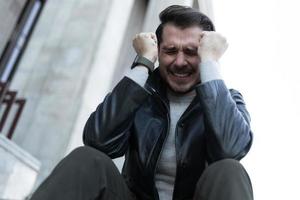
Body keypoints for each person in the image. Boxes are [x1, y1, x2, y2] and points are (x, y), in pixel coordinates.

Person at [30, 5, 253, 200]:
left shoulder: (228, 100)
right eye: (170, 50)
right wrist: (143, 63)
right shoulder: (139, 93)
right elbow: (98, 141)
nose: (180, 61)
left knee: (230, 170)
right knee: (86, 159)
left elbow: (231, 149)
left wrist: (211, 64)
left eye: (191, 52)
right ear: (158, 52)